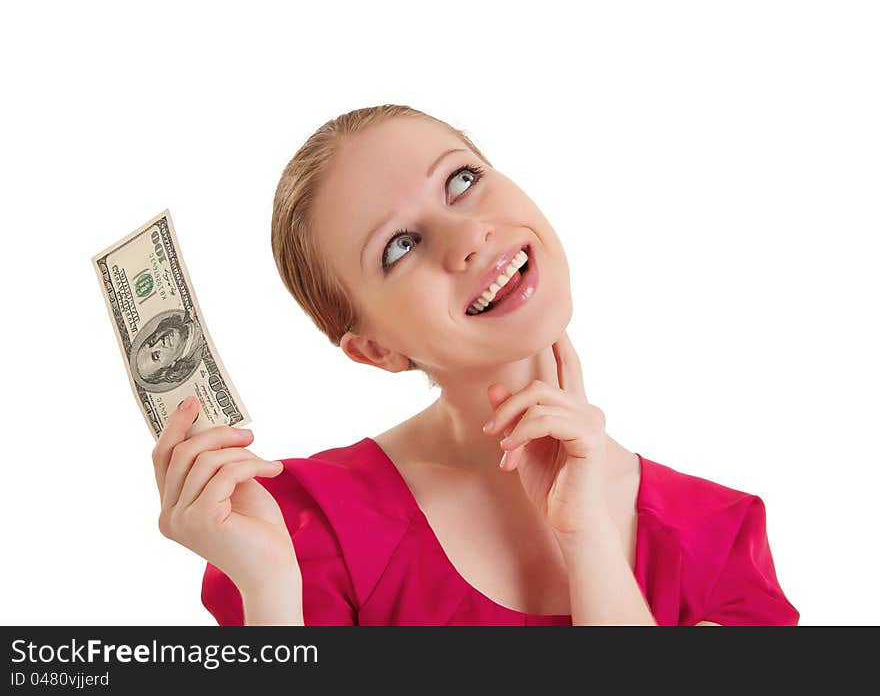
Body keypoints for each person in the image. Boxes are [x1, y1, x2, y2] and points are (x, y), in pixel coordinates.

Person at [151, 104, 800, 626]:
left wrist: (587, 539)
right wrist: (269, 593)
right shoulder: (301, 529)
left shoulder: (718, 539)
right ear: (375, 349)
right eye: (399, 246)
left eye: (462, 180)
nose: (469, 238)